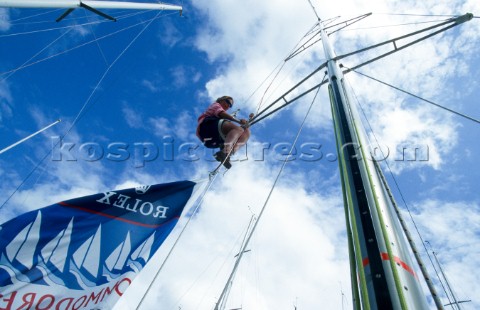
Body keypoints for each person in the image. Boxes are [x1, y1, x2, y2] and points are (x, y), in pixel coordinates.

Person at [196, 96, 251, 169]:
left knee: (246, 134)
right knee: (238, 129)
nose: (228, 106)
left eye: (230, 105)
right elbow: (221, 113)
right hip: (207, 128)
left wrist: (246, 127)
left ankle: (227, 154)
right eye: (227, 102)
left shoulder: (221, 115)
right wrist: (238, 121)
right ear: (221, 100)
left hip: (212, 141)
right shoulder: (215, 105)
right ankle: (225, 151)